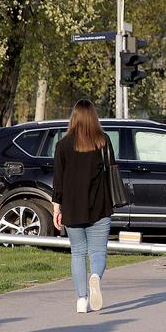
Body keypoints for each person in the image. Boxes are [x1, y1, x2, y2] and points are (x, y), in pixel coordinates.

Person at [52, 100, 114, 314]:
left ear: (74, 118)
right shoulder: (103, 142)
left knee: (77, 253)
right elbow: (112, 171)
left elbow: (57, 181)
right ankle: (95, 276)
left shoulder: (62, 145)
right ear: (94, 118)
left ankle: (81, 300)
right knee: (98, 251)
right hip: (100, 206)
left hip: (72, 207)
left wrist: (56, 209)